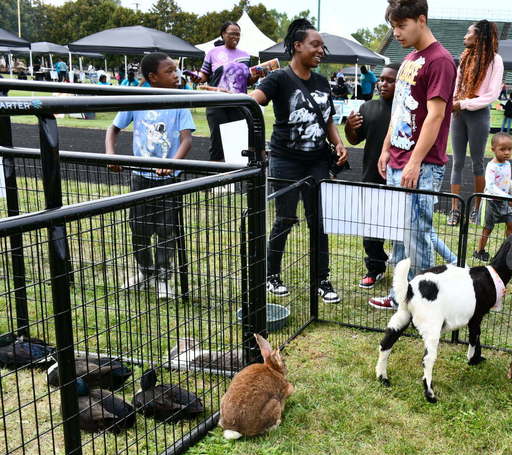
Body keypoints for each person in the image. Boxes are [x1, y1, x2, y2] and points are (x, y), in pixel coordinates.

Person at [250, 18, 347, 304]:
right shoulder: (279, 78)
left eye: (322, 46)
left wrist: (338, 142)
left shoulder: (321, 82)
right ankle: (271, 275)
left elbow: (327, 118)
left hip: (317, 161)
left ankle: (322, 279)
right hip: (285, 161)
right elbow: (255, 100)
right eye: (315, 45)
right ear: (297, 46)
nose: (321, 51)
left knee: (318, 221)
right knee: (285, 219)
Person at [368, 0, 457, 310]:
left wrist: (416, 161)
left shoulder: (441, 61)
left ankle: (425, 303)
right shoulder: (408, 60)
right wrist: (385, 149)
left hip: (422, 165)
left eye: (401, 26)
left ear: (421, 20)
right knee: (399, 233)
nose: (396, 33)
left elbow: (435, 116)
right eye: (393, 26)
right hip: (397, 159)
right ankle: (400, 296)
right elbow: (399, 109)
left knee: (418, 236)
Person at [105, 53, 195, 299]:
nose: (176, 75)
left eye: (176, 70)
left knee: (167, 230)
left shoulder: (179, 101)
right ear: (153, 77)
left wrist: (171, 163)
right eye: (170, 71)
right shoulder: (137, 99)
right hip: (140, 178)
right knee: (139, 229)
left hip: (169, 180)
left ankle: (164, 278)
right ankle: (146, 272)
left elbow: (187, 139)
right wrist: (111, 154)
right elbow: (113, 129)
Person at [345, 63, 401, 289]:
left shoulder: (408, 110)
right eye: (381, 79)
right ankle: (375, 268)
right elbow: (353, 140)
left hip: (399, 175)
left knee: (399, 226)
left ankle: (402, 269)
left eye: (390, 80)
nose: (383, 84)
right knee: (370, 227)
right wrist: (350, 127)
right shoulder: (368, 107)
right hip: (371, 175)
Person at [446, 19, 504, 226]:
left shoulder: (495, 61)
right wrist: (455, 103)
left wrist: (463, 103)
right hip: (459, 113)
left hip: (477, 114)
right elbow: (456, 87)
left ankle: (476, 209)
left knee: (477, 163)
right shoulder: (465, 58)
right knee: (457, 162)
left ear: (479, 36)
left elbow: (491, 95)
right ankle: (454, 210)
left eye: (468, 33)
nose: (465, 36)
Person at [192, 21, 265, 162]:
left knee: (237, 143)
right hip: (217, 103)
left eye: (238, 34)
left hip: (239, 103)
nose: (235, 37)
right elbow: (204, 75)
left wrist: (255, 77)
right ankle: (215, 178)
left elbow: (247, 81)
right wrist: (197, 78)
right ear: (223, 34)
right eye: (232, 33)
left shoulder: (245, 55)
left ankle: (234, 178)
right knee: (218, 142)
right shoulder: (212, 53)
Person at [473, 133, 512, 261]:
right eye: (502, 149)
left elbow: (508, 181)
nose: (506, 152)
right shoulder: (491, 167)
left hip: (503, 202)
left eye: (509, 149)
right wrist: (507, 197)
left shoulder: (507, 164)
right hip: (491, 202)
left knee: (511, 223)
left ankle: (508, 249)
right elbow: (490, 186)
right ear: (493, 149)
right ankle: (479, 251)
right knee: (488, 228)